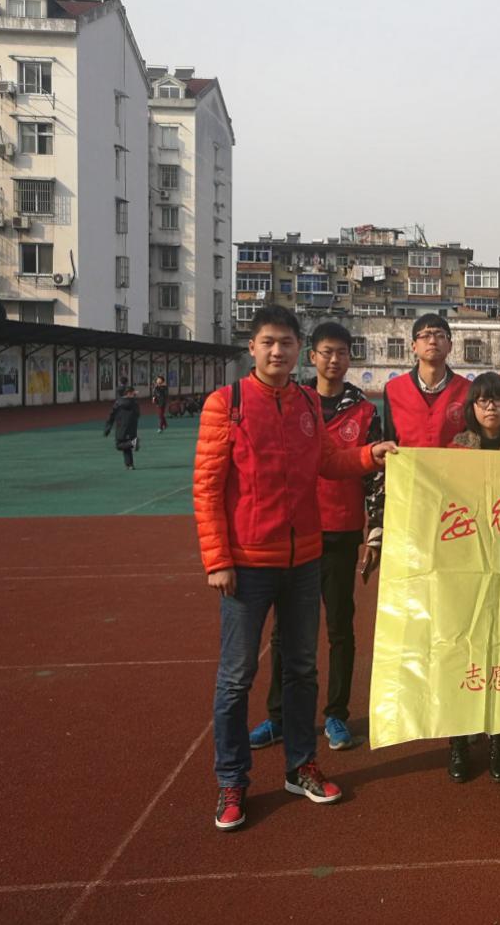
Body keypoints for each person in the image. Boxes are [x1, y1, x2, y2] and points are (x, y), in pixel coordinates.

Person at [193, 305, 397, 831]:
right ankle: (232, 780)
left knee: (303, 668)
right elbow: (208, 489)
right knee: (236, 677)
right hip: (247, 564)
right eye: (268, 342)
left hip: (304, 558)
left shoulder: (306, 402)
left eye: (286, 343)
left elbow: (327, 461)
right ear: (252, 348)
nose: (277, 351)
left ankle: (301, 765)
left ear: (296, 349)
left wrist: (370, 455)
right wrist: (218, 560)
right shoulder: (227, 404)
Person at [248, 322, 384, 756]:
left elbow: (375, 476)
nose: (334, 360)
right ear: (312, 356)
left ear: (350, 357)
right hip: (295, 531)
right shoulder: (294, 401)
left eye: (342, 352)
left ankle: (337, 714)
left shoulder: (364, 410)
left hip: (341, 531)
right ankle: (279, 717)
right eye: (327, 352)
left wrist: (375, 532)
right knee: (285, 631)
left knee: (340, 627)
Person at [447, 371, 500, 783]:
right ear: (472, 407)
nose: (490, 407)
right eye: (482, 400)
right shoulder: (455, 450)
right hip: (465, 563)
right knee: (464, 648)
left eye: (498, 399)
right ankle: (459, 740)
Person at [380, 314, 471, 448]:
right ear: (414, 346)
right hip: (409, 462)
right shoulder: (394, 389)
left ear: (450, 346)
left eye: (440, 335)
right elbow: (390, 441)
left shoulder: (468, 390)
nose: (432, 341)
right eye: (425, 336)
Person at [103, 384, 141, 469]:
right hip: (132, 427)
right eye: (133, 393)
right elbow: (138, 414)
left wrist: (108, 428)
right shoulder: (135, 403)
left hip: (122, 427)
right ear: (128, 393)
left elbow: (111, 415)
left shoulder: (118, 403)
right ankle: (129, 464)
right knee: (126, 446)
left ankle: (133, 443)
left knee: (119, 445)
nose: (134, 394)